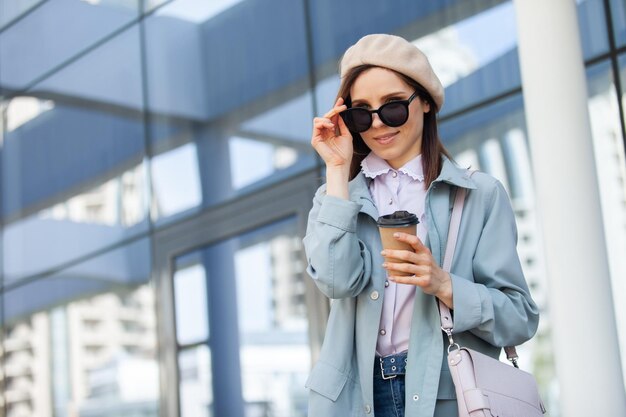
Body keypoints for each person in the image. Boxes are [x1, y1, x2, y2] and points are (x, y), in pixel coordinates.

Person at [303, 33, 539, 417]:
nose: (378, 124)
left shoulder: (478, 195)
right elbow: (336, 282)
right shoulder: (335, 199)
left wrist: (444, 285)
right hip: (356, 400)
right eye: (362, 113)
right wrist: (335, 168)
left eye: (393, 107)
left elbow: (519, 318)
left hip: (446, 394)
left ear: (425, 101)